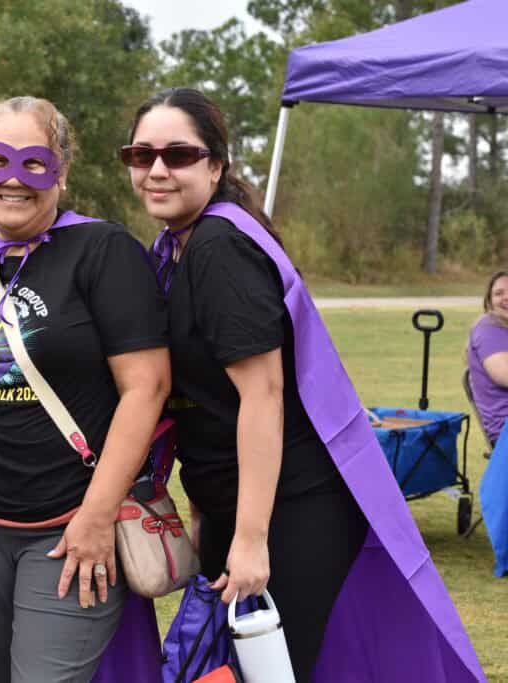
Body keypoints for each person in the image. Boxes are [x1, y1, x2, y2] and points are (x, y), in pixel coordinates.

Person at [123, 87, 483, 682]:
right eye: (141, 155)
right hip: (243, 502)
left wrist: (249, 539)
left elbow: (262, 398)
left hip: (290, 508)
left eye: (179, 155)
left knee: (266, 669)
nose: (157, 170)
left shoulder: (218, 249)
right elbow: (208, 400)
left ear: (215, 166)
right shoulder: (180, 248)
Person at [0, 95, 169, 683]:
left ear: (62, 172)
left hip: (69, 527)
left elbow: (146, 389)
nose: (13, 181)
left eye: (34, 163)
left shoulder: (102, 253)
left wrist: (97, 517)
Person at [467, 270, 508, 446]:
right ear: (490, 302)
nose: (506, 297)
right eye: (499, 293)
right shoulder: (489, 328)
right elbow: (504, 375)